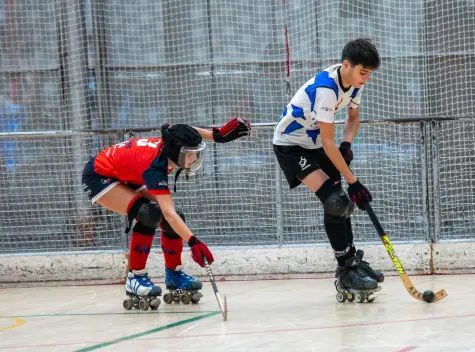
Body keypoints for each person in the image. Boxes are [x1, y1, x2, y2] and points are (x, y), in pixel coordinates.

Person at [82, 119, 251, 309]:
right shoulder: (155, 167)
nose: (193, 160)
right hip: (99, 176)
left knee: (175, 217)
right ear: (176, 152)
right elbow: (167, 213)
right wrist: (193, 241)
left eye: (195, 154)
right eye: (189, 155)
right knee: (150, 214)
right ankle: (135, 278)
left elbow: (185, 129)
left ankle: (174, 274)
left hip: (129, 171)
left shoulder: (171, 140)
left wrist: (216, 136)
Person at [272, 38, 384, 298]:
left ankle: (351, 261)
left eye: (369, 73)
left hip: (316, 145)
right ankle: (345, 271)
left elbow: (353, 118)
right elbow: (326, 140)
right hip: (292, 146)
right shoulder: (327, 89)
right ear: (346, 65)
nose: (366, 78)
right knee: (334, 201)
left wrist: (347, 144)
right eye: (363, 72)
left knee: (343, 203)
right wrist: (354, 181)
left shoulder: (355, 83)